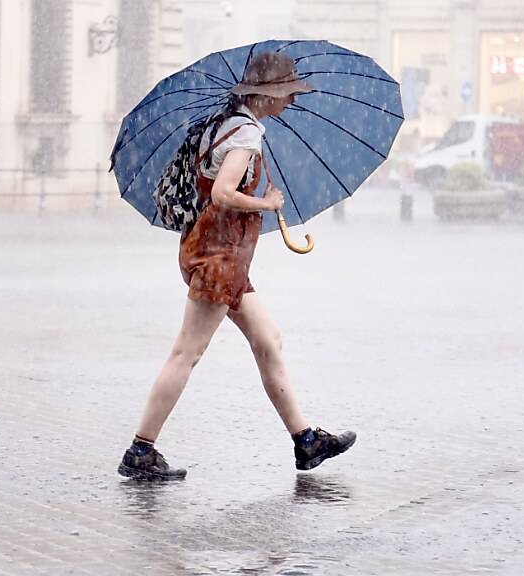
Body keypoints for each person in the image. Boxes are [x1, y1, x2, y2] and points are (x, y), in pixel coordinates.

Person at [117, 52, 357, 481]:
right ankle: (140, 450)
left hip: (219, 254)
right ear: (267, 95)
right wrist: (265, 203)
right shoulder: (245, 134)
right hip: (219, 258)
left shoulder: (223, 125)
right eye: (288, 93)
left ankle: (306, 441)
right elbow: (224, 194)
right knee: (186, 353)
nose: (291, 102)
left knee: (268, 340)